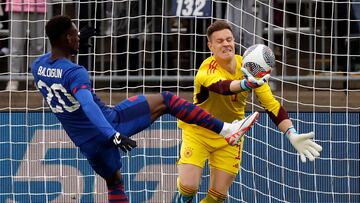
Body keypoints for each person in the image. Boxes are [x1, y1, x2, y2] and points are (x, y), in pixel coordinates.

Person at [31, 15, 260, 202]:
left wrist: (74, 42)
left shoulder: (38, 66)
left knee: (115, 184)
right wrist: (114, 134)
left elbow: (59, 68)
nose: (79, 39)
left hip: (87, 144)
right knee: (168, 100)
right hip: (111, 124)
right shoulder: (76, 73)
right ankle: (226, 130)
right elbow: (89, 105)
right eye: (75, 35)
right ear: (67, 37)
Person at [176, 20, 323, 203]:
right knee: (189, 186)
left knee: (217, 196)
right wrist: (246, 84)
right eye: (220, 41)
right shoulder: (206, 69)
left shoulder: (248, 67)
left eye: (229, 39)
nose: (226, 44)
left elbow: (271, 105)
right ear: (210, 46)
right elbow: (222, 87)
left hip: (232, 134)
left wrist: (291, 134)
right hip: (199, 132)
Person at [5, 0, 46, 90]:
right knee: (16, 46)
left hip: (39, 4)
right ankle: (13, 79)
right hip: (17, 4)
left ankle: (37, 77)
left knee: (39, 46)